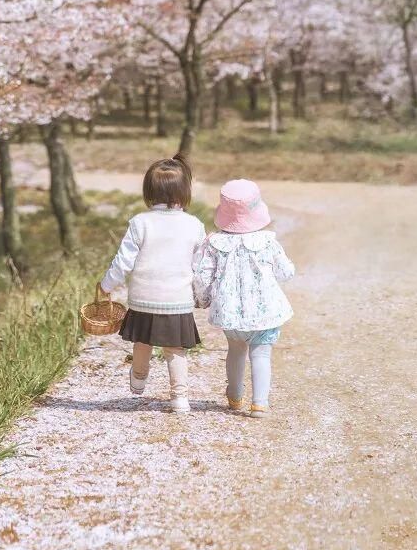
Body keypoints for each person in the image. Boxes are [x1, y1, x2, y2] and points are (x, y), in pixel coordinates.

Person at [100, 153, 205, 414]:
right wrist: (202, 294)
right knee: (175, 349)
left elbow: (123, 261)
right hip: (177, 299)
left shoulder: (140, 222)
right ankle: (180, 398)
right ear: (185, 191)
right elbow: (200, 265)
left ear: (149, 191)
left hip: (144, 297)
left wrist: (106, 285)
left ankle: (138, 377)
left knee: (143, 342)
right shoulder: (194, 225)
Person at [194, 178, 294, 417]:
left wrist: (203, 299)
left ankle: (235, 396)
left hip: (230, 314)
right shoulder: (268, 242)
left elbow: (202, 276)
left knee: (236, 350)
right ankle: (259, 403)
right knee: (261, 354)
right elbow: (286, 272)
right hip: (265, 314)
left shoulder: (214, 243)